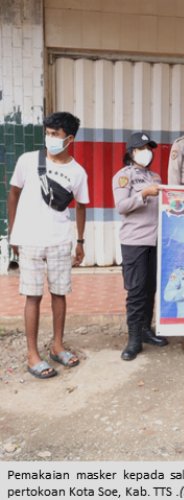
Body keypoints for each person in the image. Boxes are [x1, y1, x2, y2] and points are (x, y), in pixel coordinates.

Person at [7, 112, 89, 379]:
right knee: (32, 296)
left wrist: (80, 241)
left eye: (56, 134)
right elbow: (13, 193)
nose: (50, 138)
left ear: (70, 138)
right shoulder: (28, 161)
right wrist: (13, 234)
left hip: (59, 241)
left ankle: (57, 345)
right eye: (48, 133)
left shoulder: (78, 172)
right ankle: (33, 354)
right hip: (29, 239)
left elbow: (81, 207)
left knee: (59, 294)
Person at [112, 132, 169, 361]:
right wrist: (144, 194)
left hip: (155, 240)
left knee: (150, 288)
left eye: (149, 147)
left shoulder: (155, 176)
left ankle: (146, 330)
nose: (147, 152)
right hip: (134, 241)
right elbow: (122, 206)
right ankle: (133, 339)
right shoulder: (123, 177)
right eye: (142, 148)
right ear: (131, 152)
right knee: (135, 291)